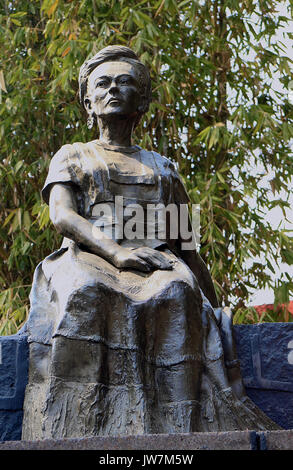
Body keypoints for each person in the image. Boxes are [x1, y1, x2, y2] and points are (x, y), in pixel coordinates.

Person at [22, 46, 279, 439]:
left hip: (155, 259)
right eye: (102, 83)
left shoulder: (163, 168)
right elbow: (62, 216)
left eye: (124, 82)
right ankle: (74, 427)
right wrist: (118, 252)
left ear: (141, 99)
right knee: (86, 291)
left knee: (177, 291)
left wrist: (210, 302)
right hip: (90, 255)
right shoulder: (72, 155)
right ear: (87, 100)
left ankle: (179, 431)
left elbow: (185, 243)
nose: (113, 90)